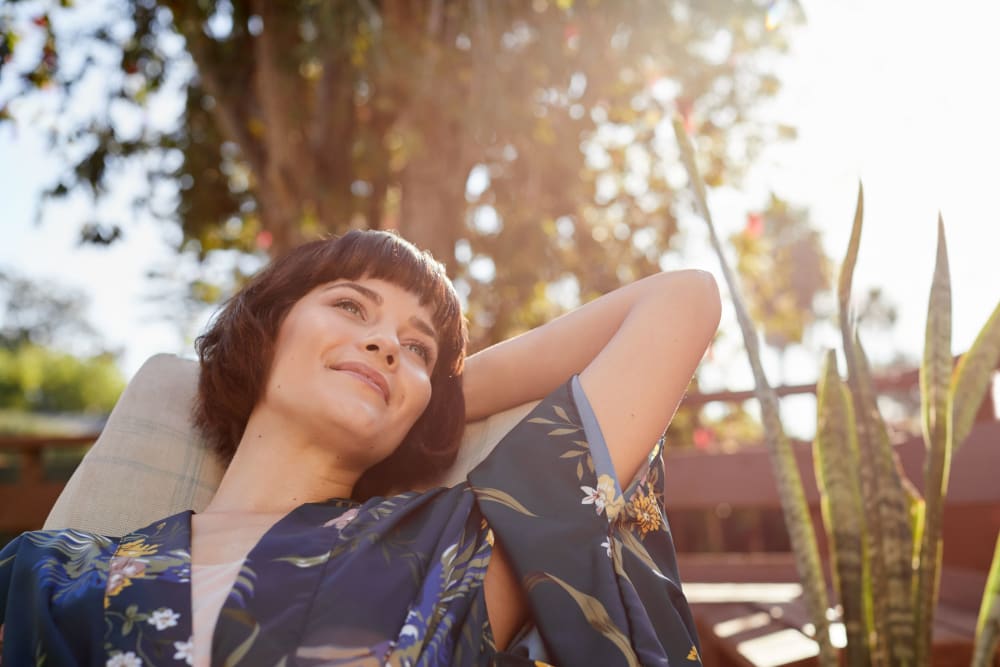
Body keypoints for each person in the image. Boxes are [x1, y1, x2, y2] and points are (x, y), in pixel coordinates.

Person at [0, 229, 721, 666]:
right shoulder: (50, 570)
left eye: (415, 345)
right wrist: (409, 373)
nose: (383, 341)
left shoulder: (456, 546)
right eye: (350, 306)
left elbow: (681, 300)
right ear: (266, 330)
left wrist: (433, 396)